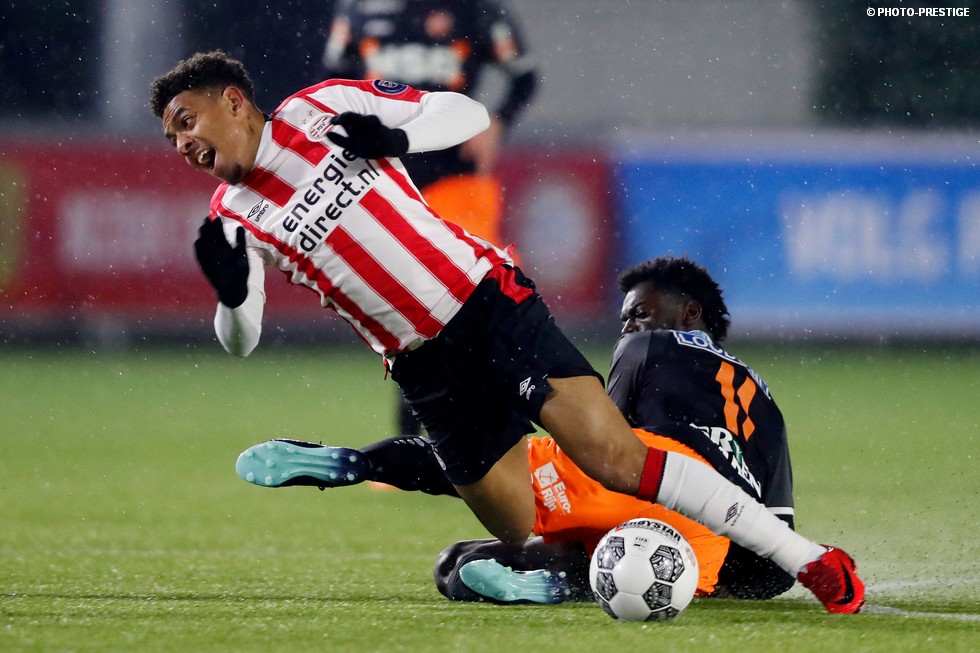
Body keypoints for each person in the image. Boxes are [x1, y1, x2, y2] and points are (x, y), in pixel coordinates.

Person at [149, 51, 864, 614]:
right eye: (171, 136)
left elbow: (463, 111)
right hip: (422, 365)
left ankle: (810, 561)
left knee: (615, 457)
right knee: (520, 525)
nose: (181, 143)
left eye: (186, 121)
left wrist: (396, 135)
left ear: (233, 101)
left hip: (485, 303)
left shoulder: (324, 107)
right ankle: (522, 559)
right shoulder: (231, 218)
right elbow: (240, 337)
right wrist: (232, 292)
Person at [235, 257, 797, 604]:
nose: (628, 326)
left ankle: (360, 463)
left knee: (493, 468)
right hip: (705, 543)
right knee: (463, 562)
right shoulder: (765, 403)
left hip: (659, 475)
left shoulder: (648, 347)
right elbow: (775, 553)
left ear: (691, 313)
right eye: (627, 318)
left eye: (639, 313)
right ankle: (556, 586)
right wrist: (716, 578)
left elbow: (605, 446)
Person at [321, 0, 539, 435]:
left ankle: (511, 408)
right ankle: (415, 431)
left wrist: (498, 122)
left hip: (456, 177)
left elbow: (524, 75)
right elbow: (329, 86)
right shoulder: (360, 13)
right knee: (410, 306)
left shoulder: (474, 10)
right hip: (388, 180)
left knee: (485, 294)